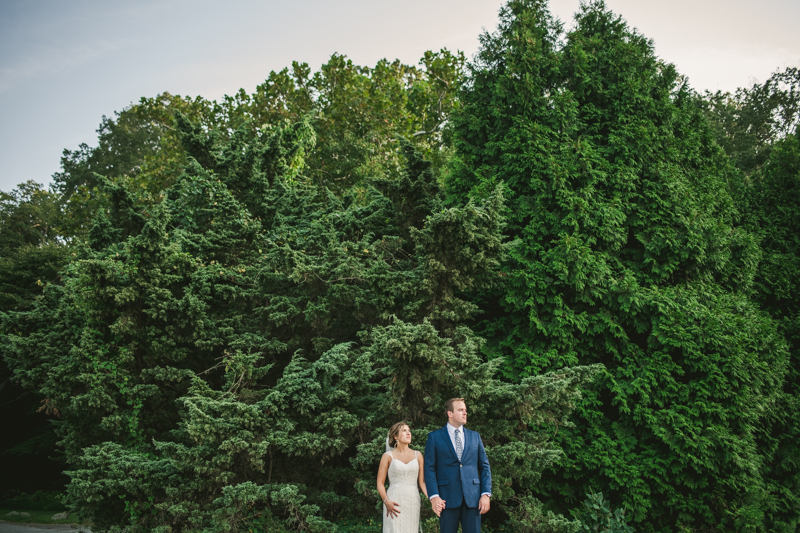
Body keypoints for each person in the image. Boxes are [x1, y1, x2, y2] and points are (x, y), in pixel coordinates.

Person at [424, 398, 492, 533]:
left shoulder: (475, 436)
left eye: (465, 410)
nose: (465, 413)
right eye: (461, 410)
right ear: (450, 413)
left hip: (473, 499)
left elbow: (484, 466)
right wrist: (434, 496)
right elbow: (429, 469)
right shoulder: (434, 437)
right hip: (446, 499)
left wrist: (485, 494)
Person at [377, 422, 428, 533]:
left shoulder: (418, 455)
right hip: (393, 501)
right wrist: (386, 501)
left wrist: (432, 498)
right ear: (395, 437)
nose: (408, 433)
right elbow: (380, 482)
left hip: (412, 501)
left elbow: (422, 482)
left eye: (409, 430)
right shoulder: (387, 456)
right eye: (404, 431)